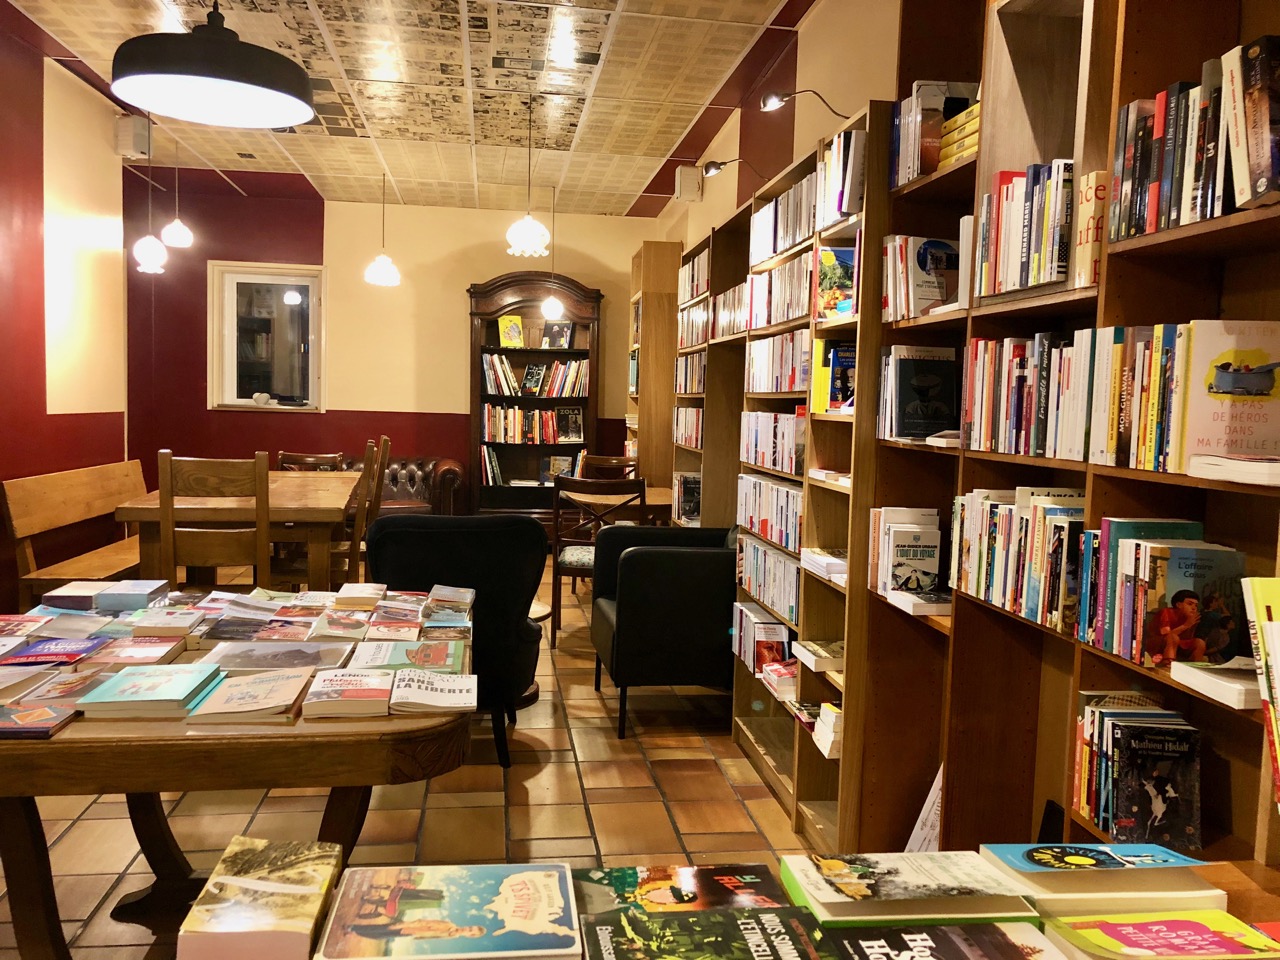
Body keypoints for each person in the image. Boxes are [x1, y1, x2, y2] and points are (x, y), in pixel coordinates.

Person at [1146, 589, 1204, 664]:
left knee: (1199, 642)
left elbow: (1187, 638)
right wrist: (1185, 625)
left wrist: (1190, 625)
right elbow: (1167, 635)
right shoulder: (1166, 612)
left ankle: (1195, 666)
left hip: (1178, 644)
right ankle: (1168, 663)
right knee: (1173, 637)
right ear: (1178, 605)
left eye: (1196, 605)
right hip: (1157, 643)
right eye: (1190, 604)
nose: (1194, 608)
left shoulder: (1191, 618)